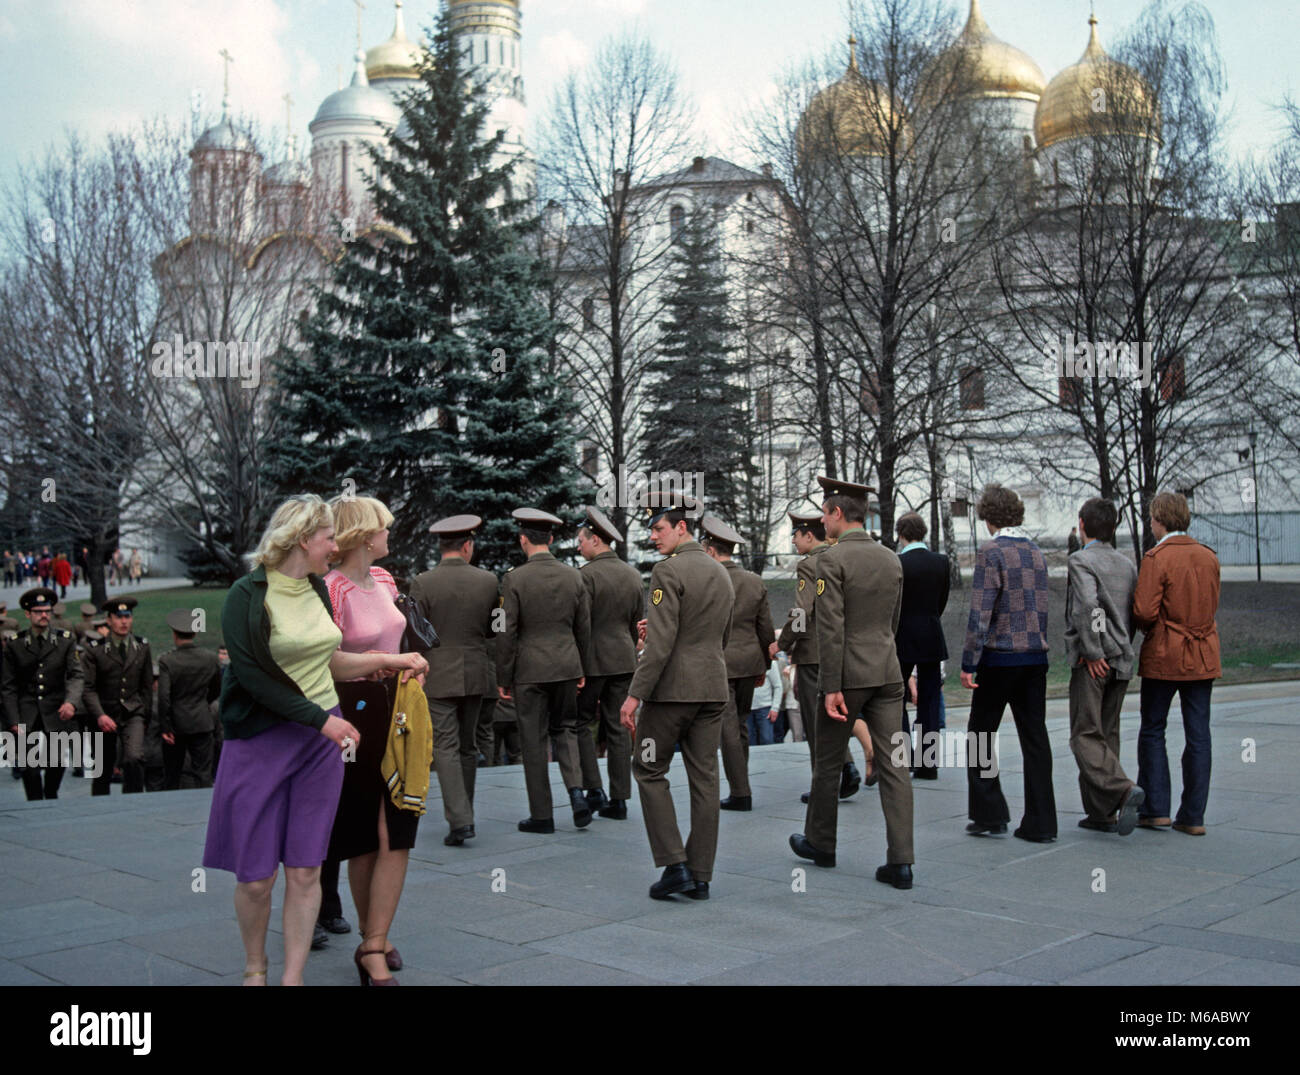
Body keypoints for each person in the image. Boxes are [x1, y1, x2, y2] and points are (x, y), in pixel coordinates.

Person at [201, 494, 424, 987]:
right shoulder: (246, 594)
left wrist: (393, 662)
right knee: (257, 878)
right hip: (262, 741)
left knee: (305, 870)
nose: (334, 545)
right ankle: (255, 970)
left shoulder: (317, 590)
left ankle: (292, 978)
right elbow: (256, 678)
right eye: (328, 537)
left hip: (319, 744)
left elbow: (332, 660)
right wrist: (322, 721)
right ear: (303, 538)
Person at [319, 495, 427, 985]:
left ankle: (376, 940)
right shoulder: (331, 589)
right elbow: (330, 661)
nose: (390, 534)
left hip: (399, 706)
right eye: (384, 527)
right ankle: (372, 944)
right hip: (356, 712)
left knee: (399, 826)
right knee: (365, 834)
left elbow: (399, 640)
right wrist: (392, 662)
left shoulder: (384, 580)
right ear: (365, 535)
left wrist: (411, 663)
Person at [789, 476, 914, 890]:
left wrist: (831, 685)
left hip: (849, 676)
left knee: (827, 762)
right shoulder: (891, 558)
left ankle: (821, 843)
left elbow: (831, 628)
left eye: (825, 513)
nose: (822, 522)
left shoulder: (831, 560)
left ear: (838, 514)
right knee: (895, 765)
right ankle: (901, 861)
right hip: (887, 672)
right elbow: (893, 623)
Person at [620, 493, 733, 900]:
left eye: (659, 528)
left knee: (649, 768)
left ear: (681, 528)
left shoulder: (667, 571)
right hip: (712, 688)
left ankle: (674, 865)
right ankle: (701, 874)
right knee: (705, 779)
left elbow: (662, 646)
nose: (653, 536)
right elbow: (718, 634)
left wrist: (634, 696)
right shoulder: (721, 572)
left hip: (671, 695)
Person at [960, 483, 1056, 843]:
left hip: (1000, 657)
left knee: (981, 733)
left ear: (989, 518)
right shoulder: (1036, 552)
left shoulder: (991, 552)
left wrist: (969, 661)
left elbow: (981, 612)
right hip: (1035, 655)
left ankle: (990, 813)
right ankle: (1042, 822)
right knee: (1035, 738)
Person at [496, 507, 592, 833]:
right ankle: (577, 793)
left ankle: (542, 815)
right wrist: (582, 667)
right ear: (550, 539)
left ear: (524, 539)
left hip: (530, 671)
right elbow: (584, 628)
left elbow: (506, 632)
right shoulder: (574, 576)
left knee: (533, 740)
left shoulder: (514, 579)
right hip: (566, 666)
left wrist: (504, 677)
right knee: (565, 729)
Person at [1132, 491, 1220, 836]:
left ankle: (1156, 809)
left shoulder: (1157, 558)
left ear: (1158, 520)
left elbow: (1143, 610)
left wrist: (1152, 628)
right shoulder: (1208, 557)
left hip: (1166, 654)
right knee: (1199, 734)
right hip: (1203, 654)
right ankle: (1193, 815)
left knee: (1153, 729)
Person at [410, 514, 500, 846]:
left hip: (438, 673)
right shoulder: (489, 581)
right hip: (476, 672)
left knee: (444, 746)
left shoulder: (423, 582)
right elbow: (494, 628)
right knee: (468, 745)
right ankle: (466, 813)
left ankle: (460, 820)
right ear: (467, 545)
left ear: (441, 546)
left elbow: (417, 632)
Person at [1065, 498, 1143, 835]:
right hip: (1123, 657)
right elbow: (1131, 612)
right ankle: (1101, 813)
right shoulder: (1126, 564)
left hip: (1095, 659)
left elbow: (1088, 607)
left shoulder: (1081, 560)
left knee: (1084, 734)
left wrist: (1094, 650)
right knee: (1107, 734)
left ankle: (1122, 789)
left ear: (1082, 524)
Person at [775, 511, 859, 803]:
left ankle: (825, 785)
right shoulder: (841, 559)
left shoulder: (809, 565)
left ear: (809, 535)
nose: (794, 543)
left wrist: (782, 643)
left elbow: (801, 614)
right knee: (833, 718)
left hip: (813, 654)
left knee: (814, 723)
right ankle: (847, 769)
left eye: (795, 537)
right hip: (841, 649)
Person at [701, 516, 776, 812]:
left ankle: (741, 792)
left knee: (727, 729)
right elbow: (766, 628)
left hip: (719, 662)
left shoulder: (710, 579)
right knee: (740, 724)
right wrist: (765, 666)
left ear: (710, 550)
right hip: (749, 663)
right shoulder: (754, 580)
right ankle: (739, 781)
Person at [574, 506, 643, 820]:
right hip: (624, 658)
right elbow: (635, 622)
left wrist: (579, 664)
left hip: (592, 661)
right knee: (618, 727)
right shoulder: (631, 574)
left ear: (596, 541)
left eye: (581, 540)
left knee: (582, 724)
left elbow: (582, 625)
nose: (579, 546)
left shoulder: (585, 576)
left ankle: (594, 788)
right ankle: (620, 799)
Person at [1, 587, 83, 800]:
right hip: (26, 710)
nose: (44, 615)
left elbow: (76, 675)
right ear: (28, 614)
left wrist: (71, 702)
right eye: (38, 611)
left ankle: (51, 793)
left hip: (56, 708)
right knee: (29, 767)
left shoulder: (65, 640)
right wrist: (13, 720)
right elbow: (8, 686)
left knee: (56, 763)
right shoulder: (15, 644)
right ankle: (35, 803)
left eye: (47, 610)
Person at [894, 512, 949, 780]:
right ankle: (929, 763)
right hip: (931, 633)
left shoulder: (897, 563)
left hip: (902, 635)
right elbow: (942, 601)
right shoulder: (941, 562)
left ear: (901, 533)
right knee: (929, 701)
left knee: (896, 698)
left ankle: (901, 759)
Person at [83, 597, 154, 796]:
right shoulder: (95, 649)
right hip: (104, 713)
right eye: (119, 617)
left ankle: (132, 802)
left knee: (133, 758)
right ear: (109, 620)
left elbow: (146, 685)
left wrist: (145, 716)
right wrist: (99, 715)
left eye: (128, 617)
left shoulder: (142, 646)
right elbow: (88, 688)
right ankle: (101, 807)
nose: (124, 622)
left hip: (133, 712)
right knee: (102, 768)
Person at [158, 607, 222, 789]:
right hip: (202, 721)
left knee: (172, 773)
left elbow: (163, 697)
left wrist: (165, 726)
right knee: (203, 773)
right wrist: (203, 703)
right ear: (194, 632)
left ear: (174, 634)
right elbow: (217, 689)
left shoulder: (167, 661)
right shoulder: (210, 658)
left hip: (176, 725)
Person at [748, 657, 782, 745]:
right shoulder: (743, 661)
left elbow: (778, 686)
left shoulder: (770, 662)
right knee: (749, 742)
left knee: (767, 740)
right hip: (747, 708)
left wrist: (775, 708)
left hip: (765, 708)